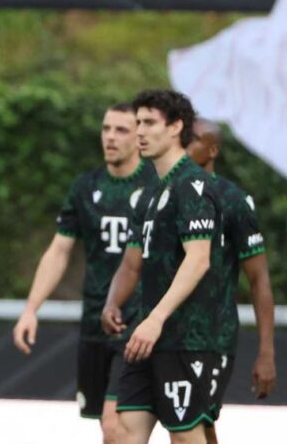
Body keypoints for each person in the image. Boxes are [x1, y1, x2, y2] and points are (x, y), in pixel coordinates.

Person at [13, 103, 157, 442]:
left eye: (121, 130)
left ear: (139, 138)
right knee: (107, 427)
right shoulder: (85, 187)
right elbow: (59, 250)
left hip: (137, 322)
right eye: (106, 128)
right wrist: (31, 309)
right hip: (94, 321)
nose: (110, 137)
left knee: (115, 424)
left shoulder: (155, 186)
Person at [101, 90, 224, 444]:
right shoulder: (155, 192)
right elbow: (133, 263)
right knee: (120, 432)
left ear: (176, 128)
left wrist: (156, 318)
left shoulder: (193, 185)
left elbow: (198, 260)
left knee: (186, 437)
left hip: (185, 337)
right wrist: (117, 303)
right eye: (138, 122)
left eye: (150, 123)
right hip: (146, 335)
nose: (140, 131)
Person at [186, 119, 277, 444]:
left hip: (211, 335)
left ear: (213, 150)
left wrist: (266, 352)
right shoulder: (158, 195)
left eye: (193, 140)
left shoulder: (232, 200)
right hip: (161, 334)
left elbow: (258, 277)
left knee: (197, 425)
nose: (185, 145)